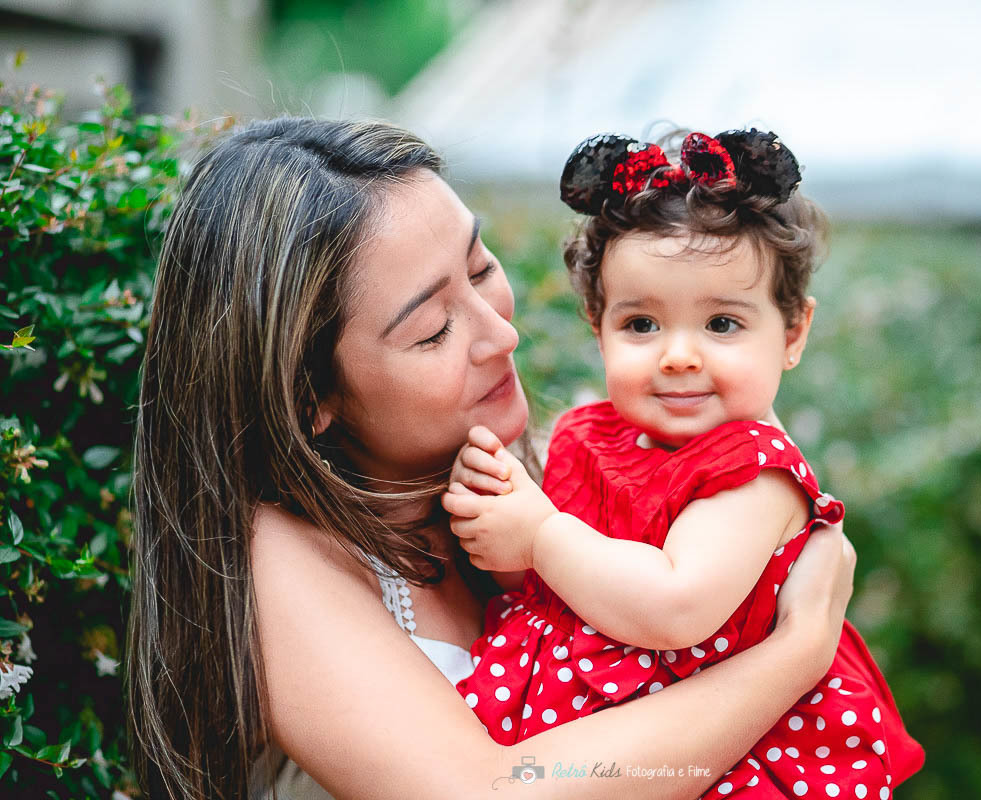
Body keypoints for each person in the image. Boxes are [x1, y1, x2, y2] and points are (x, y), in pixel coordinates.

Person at [124, 117, 859, 800]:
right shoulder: (283, 559)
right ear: (307, 393)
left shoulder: (522, 471)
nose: (502, 336)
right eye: (435, 330)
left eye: (479, 270)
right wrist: (793, 657)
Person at [443, 130, 923, 798]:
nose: (678, 356)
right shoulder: (591, 434)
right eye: (641, 325)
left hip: (722, 754)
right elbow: (551, 589)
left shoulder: (755, 472)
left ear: (792, 334)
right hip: (591, 737)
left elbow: (675, 606)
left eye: (722, 324)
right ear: (596, 323)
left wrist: (541, 534)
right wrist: (500, 525)